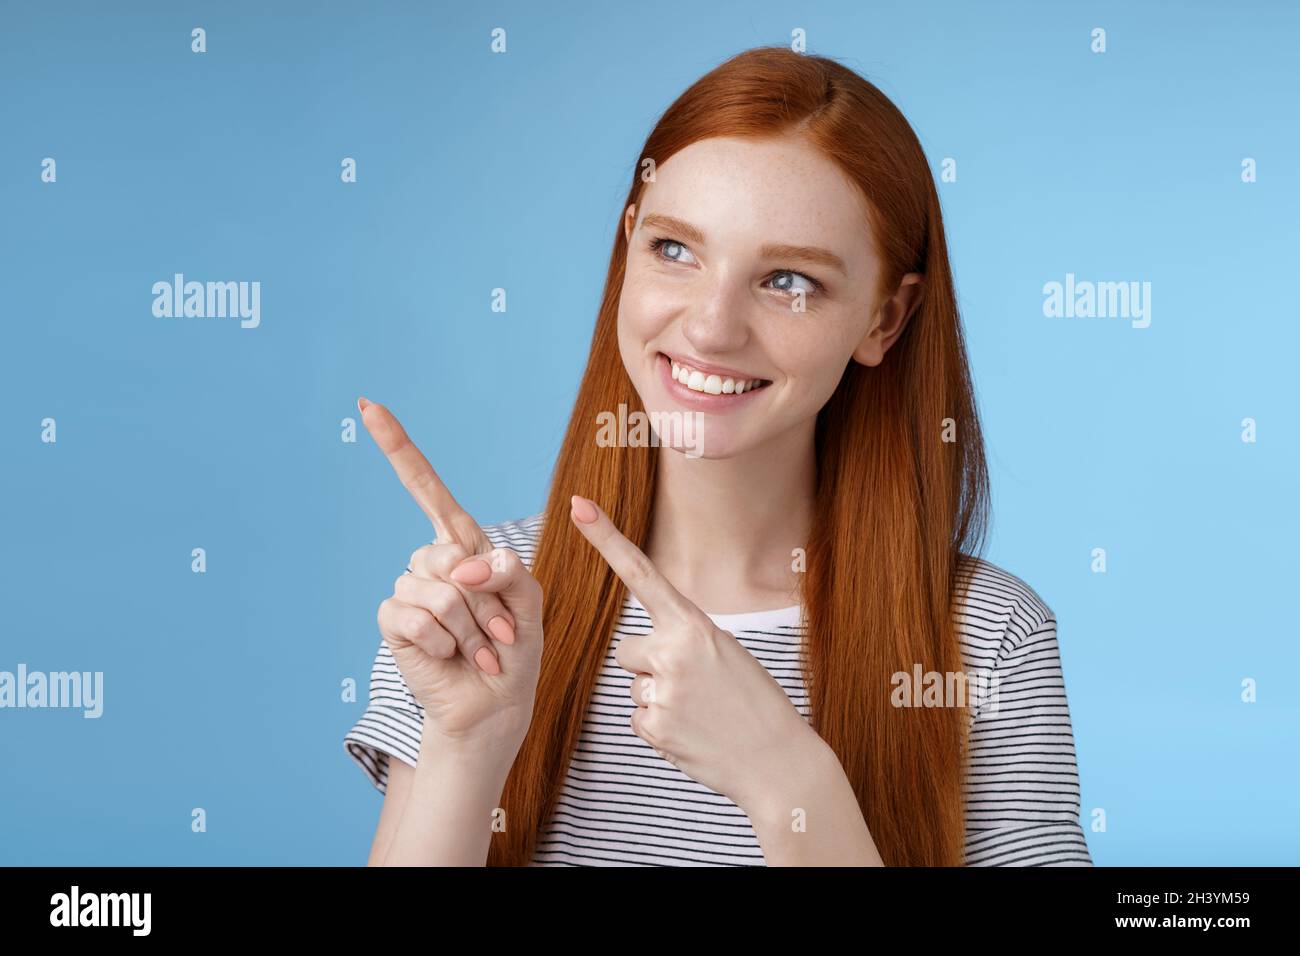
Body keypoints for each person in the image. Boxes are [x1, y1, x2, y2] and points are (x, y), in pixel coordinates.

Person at [343, 45, 1092, 867]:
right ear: (627, 245)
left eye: (789, 281)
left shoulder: (986, 640)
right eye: (675, 250)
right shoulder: (481, 605)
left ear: (885, 319)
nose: (711, 327)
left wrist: (789, 781)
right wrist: (467, 746)